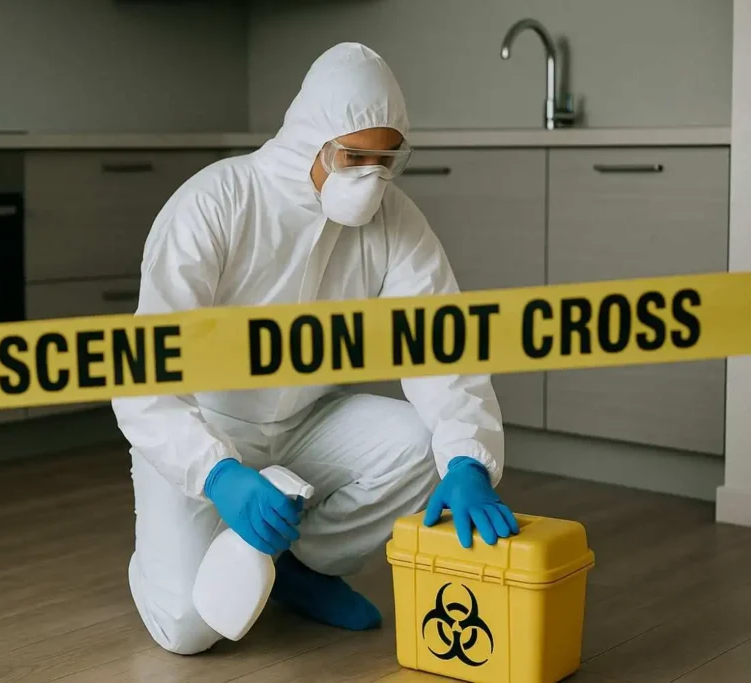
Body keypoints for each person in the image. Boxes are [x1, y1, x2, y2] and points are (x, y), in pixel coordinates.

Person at [110, 42, 518, 656]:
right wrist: (217, 474)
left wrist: (467, 459)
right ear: (311, 139)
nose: (370, 179)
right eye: (354, 157)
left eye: (385, 161)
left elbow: (441, 339)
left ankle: (300, 568)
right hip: (204, 427)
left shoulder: (395, 220)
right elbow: (142, 372)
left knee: (421, 445)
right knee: (192, 630)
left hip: (309, 424)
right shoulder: (216, 202)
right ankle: (172, 560)